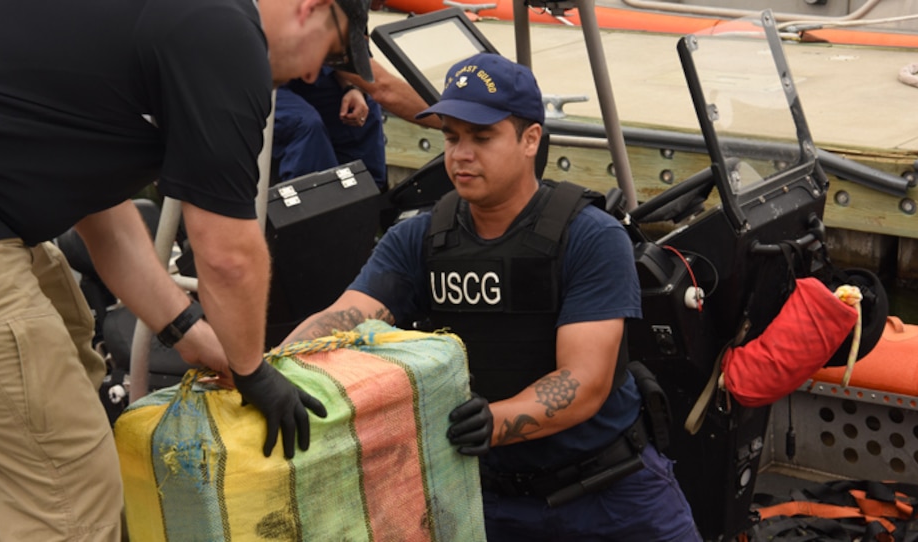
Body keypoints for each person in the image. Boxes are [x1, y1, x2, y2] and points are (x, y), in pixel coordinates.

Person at [0, 0, 372, 538]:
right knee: (70, 500)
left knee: (73, 357)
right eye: (328, 56)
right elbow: (228, 256)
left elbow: (103, 215)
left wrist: (188, 332)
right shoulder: (226, 28)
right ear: (312, 6)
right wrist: (251, 369)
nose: (313, 76)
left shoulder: (160, 22)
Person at [281, 52, 701, 541]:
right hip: (484, 500)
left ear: (530, 140)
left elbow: (583, 381)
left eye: (482, 137)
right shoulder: (418, 239)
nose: (460, 154)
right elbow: (344, 317)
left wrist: (494, 422)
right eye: (451, 137)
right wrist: (267, 372)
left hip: (609, 496)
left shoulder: (591, 238)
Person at [273, 60, 439, 190]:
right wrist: (453, 121)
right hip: (256, 69)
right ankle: (315, 213)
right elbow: (384, 89)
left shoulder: (348, 20)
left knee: (364, 106)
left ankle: (364, 205)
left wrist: (351, 87)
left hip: (300, 60)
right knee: (304, 125)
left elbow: (347, 57)